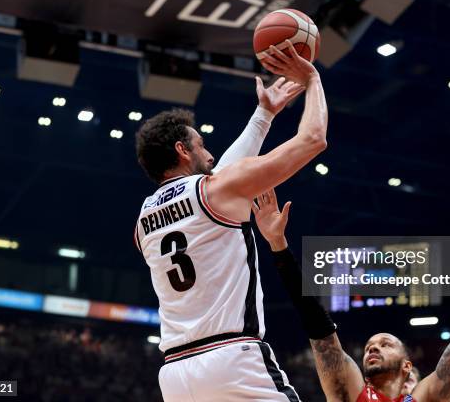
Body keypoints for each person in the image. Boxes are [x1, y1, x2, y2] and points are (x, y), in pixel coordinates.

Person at [134, 41, 328, 401]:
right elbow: (313, 139)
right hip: (230, 357)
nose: (209, 155)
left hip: (175, 374)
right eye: (201, 144)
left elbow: (218, 178)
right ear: (182, 150)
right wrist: (313, 79)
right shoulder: (214, 190)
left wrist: (264, 115)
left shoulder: (144, 220)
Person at [252, 189, 450, 402]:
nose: (373, 348)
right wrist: (278, 244)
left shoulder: (426, 396)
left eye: (386, 344)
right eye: (372, 344)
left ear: (408, 366)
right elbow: (317, 325)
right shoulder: (349, 391)